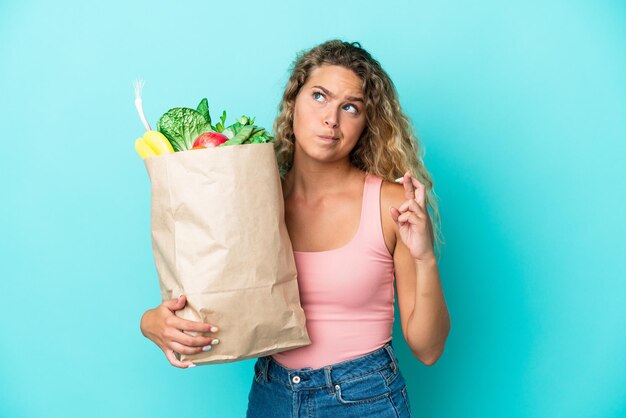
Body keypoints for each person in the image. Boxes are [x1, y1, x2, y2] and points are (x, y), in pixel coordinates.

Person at [140, 39, 451, 417]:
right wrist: (153, 322)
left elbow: (428, 349)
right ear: (294, 102)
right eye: (319, 96)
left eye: (350, 107)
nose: (330, 119)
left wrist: (424, 257)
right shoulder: (250, 199)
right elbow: (212, 295)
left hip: (363, 397)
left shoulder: (391, 204)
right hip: (273, 394)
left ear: (366, 124)